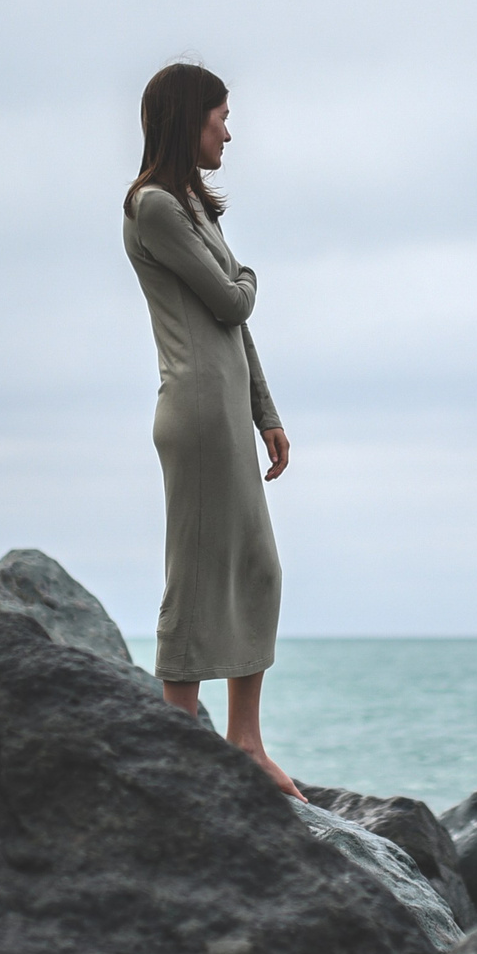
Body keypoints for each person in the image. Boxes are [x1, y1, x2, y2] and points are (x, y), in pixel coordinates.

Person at [120, 61, 305, 801]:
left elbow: (234, 329)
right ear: (187, 118)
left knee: (258, 565)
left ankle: (245, 741)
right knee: (194, 575)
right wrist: (252, 276)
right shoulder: (155, 205)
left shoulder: (195, 206)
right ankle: (177, 745)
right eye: (220, 115)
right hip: (195, 411)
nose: (229, 129)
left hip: (227, 408)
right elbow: (233, 301)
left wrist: (268, 414)